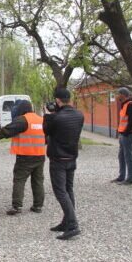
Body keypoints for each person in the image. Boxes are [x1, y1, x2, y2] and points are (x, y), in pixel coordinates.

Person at [0, 100, 45, 215]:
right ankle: (38, 206)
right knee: (38, 181)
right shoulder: (41, 120)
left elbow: (6, 131)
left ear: (22, 109)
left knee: (19, 180)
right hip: (39, 155)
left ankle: (17, 207)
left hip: (25, 156)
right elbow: (47, 138)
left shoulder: (22, 120)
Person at [43, 88, 84, 240]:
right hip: (71, 158)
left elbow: (46, 131)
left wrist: (48, 115)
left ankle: (73, 225)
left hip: (58, 159)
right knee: (68, 189)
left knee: (60, 191)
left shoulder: (55, 118)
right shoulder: (79, 115)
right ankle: (66, 221)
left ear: (58, 101)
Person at [112, 87, 132, 185]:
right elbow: (123, 120)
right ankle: (121, 176)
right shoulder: (124, 105)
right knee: (121, 156)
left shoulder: (130, 105)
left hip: (127, 135)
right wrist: (119, 132)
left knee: (128, 156)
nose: (117, 96)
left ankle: (130, 178)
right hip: (122, 134)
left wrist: (126, 132)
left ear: (123, 94)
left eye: (118, 94)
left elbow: (131, 121)